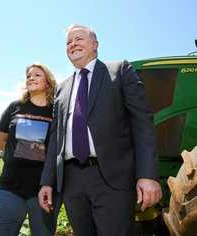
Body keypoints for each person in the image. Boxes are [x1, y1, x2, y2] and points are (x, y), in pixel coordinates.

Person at [38, 24, 162, 236]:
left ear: (95, 45)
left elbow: (142, 124)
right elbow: (55, 140)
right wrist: (47, 182)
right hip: (72, 181)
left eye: (79, 39)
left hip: (112, 178)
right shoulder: (62, 88)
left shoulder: (120, 71)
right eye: (68, 42)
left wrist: (148, 175)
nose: (73, 44)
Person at [0, 63, 57, 236]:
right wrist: (17, 156)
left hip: (43, 189)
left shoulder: (56, 111)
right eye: (28, 76)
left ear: (48, 82)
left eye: (37, 75)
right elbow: (1, 140)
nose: (31, 78)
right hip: (10, 187)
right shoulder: (14, 107)